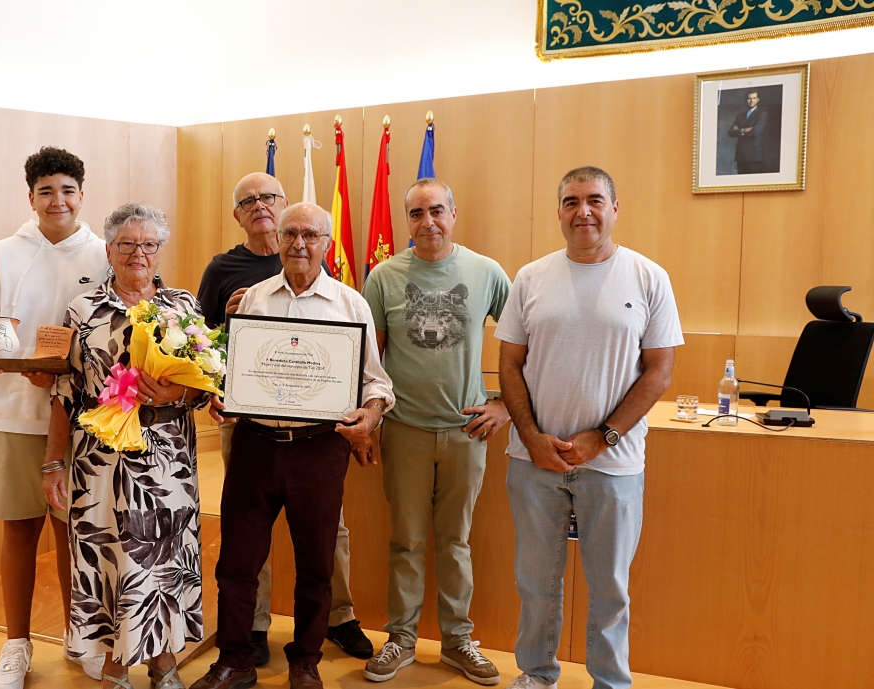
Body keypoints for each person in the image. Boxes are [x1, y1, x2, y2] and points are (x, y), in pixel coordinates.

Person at [191, 203, 394, 689]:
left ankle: (305, 660)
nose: (299, 244)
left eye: (310, 235)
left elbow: (376, 381)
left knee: (316, 562)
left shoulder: (351, 304)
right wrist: (220, 394)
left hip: (319, 449)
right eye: (290, 235)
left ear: (326, 243)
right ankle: (235, 660)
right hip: (255, 445)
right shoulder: (250, 301)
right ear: (276, 239)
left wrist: (371, 413)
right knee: (237, 562)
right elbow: (223, 368)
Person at [495, 167, 681, 689]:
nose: (583, 211)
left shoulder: (648, 277)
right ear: (558, 212)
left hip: (614, 464)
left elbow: (660, 371)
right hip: (534, 462)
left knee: (610, 589)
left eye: (595, 200)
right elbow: (509, 365)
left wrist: (605, 436)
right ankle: (536, 674)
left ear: (615, 208)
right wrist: (532, 438)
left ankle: (610, 682)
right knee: (535, 584)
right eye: (571, 201)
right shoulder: (530, 277)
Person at [0, 147, 108, 689]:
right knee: (20, 530)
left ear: (82, 195)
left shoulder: (105, 255)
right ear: (31, 198)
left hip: (88, 422)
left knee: (77, 535)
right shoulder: (1, 254)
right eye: (46, 191)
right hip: (15, 416)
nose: (57, 200)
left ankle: (78, 635)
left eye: (67, 189)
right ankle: (15, 645)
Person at [43, 203, 207, 689]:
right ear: (110, 251)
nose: (139, 253)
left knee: (166, 555)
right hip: (100, 459)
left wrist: (182, 390)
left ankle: (163, 662)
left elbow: (207, 383)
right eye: (127, 244)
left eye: (149, 244)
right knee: (110, 555)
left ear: (160, 252)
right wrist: (54, 463)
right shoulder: (83, 310)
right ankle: (116, 662)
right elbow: (64, 394)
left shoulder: (184, 306)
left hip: (167, 456)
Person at [360, 178, 511, 685]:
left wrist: (507, 406)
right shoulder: (382, 277)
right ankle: (400, 639)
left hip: (468, 432)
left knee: (456, 541)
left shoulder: (486, 272)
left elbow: (524, 344)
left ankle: (457, 641)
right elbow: (368, 359)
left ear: (454, 212)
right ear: (407, 220)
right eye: (417, 213)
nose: (428, 222)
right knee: (405, 540)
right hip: (404, 429)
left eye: (437, 211)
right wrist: (369, 420)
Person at [728, 90, 767, 174]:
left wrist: (738, 130)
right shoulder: (740, 116)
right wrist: (743, 130)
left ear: (758, 99)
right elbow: (730, 133)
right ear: (746, 100)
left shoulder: (762, 114)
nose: (751, 101)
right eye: (749, 98)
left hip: (754, 156)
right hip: (741, 155)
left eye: (754, 98)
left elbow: (755, 132)